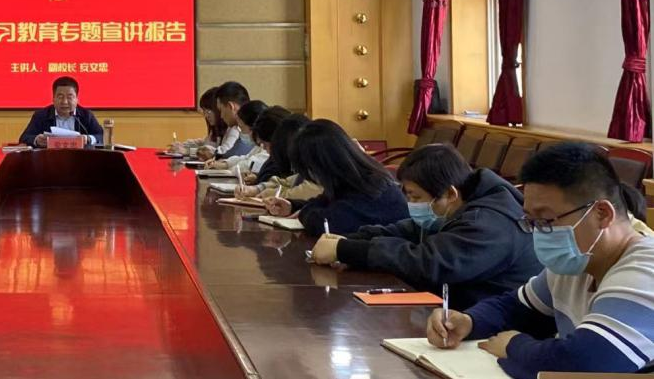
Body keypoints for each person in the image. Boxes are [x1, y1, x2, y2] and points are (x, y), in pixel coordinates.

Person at [425, 143, 654, 378]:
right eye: (532, 221)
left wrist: (513, 345)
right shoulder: (578, 260)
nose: (539, 233)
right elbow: (515, 307)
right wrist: (468, 321)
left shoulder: (646, 270)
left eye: (546, 220)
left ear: (602, 214)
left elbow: (586, 362)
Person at [309, 143, 541, 310]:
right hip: (457, 311)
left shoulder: (490, 223)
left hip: (495, 323)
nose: (411, 204)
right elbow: (407, 230)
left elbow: (430, 263)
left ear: (450, 194)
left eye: (416, 197)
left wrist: (348, 250)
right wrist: (347, 240)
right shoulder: (458, 207)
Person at [263, 119, 408, 236]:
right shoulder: (352, 180)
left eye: (310, 170)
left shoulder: (372, 187)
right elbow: (325, 202)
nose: (312, 177)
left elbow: (326, 223)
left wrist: (305, 212)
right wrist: (293, 206)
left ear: (325, 164)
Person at [236, 113, 323, 201]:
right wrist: (257, 189)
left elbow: (305, 191)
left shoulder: (318, 165)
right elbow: (286, 183)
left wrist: (272, 194)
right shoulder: (305, 167)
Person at [19, 76, 104, 148]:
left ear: (77, 99)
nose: (65, 102)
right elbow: (24, 138)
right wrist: (37, 140)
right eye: (60, 97)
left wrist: (88, 138)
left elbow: (102, 136)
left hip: (79, 159)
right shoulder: (41, 115)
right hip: (49, 159)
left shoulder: (86, 115)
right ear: (53, 99)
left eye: (69, 97)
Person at [206, 104, 285, 172]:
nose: (221, 116)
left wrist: (229, 169)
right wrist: (225, 164)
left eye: (241, 127)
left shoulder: (273, 148)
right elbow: (246, 158)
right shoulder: (262, 145)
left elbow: (250, 164)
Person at [212, 82, 255, 159]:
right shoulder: (240, 128)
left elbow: (230, 156)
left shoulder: (249, 131)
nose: (221, 116)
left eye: (221, 110)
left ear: (230, 106)